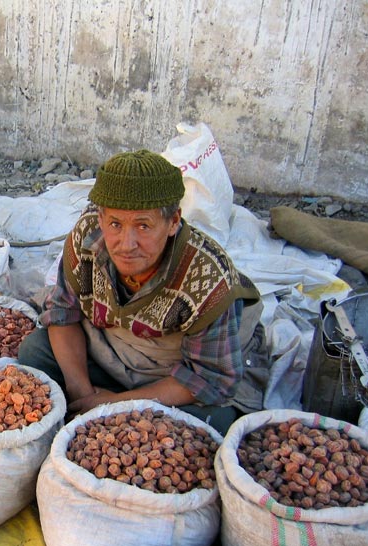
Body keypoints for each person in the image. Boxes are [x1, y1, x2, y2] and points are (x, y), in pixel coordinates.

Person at [18, 149, 269, 434]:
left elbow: (209, 380)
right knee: (36, 351)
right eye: (115, 224)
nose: (127, 244)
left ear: (173, 221)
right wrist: (81, 395)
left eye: (143, 226)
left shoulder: (206, 275)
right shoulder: (86, 238)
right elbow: (64, 313)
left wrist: (112, 406)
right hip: (116, 349)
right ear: (100, 219)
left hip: (177, 370)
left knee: (210, 426)